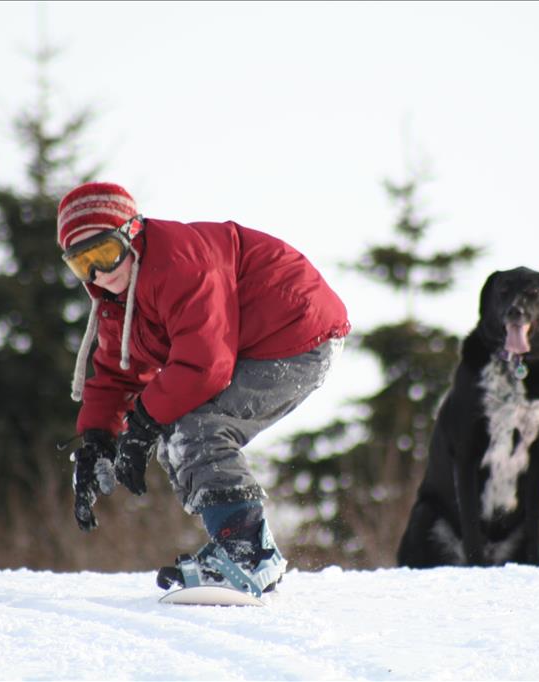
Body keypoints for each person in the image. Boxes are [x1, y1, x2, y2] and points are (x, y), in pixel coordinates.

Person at [57, 182, 349, 594]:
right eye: (81, 263)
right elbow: (116, 372)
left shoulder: (179, 262)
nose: (98, 273)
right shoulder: (119, 298)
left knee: (196, 427)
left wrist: (141, 423)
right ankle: (236, 544)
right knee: (176, 430)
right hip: (253, 343)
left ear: (131, 233)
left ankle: (248, 553)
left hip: (296, 333)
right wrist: (97, 439)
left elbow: (206, 366)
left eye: (104, 253)